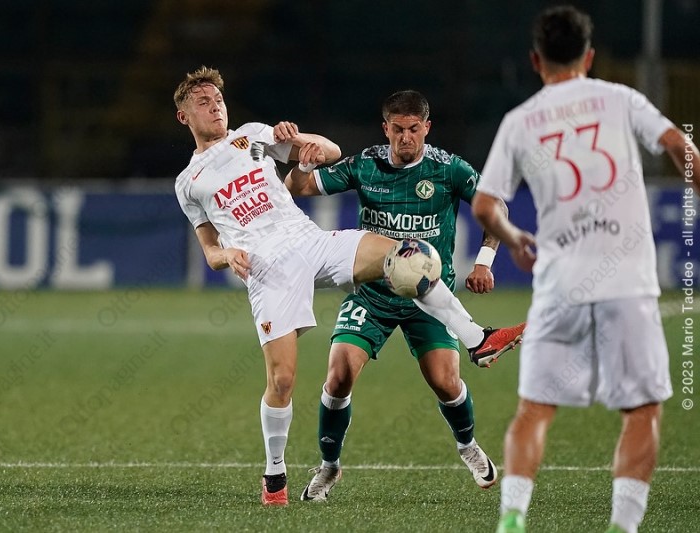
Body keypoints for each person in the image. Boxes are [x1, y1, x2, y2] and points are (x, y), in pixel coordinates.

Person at [173, 66, 525, 506]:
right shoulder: (188, 184)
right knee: (283, 380)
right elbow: (210, 250)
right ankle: (275, 473)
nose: (216, 107)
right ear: (184, 116)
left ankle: (478, 340)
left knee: (410, 255)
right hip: (267, 267)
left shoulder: (253, 136)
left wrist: (303, 144)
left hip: (309, 241)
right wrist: (227, 256)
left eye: (219, 99)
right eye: (203, 102)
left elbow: (330, 150)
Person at [471, 6, 700, 533]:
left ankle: (513, 517)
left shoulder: (520, 120)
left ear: (536, 61)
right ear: (590, 57)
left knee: (534, 409)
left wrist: (515, 240)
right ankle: (622, 526)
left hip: (560, 283)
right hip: (627, 281)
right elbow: (678, 147)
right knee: (641, 409)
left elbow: (485, 204)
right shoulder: (621, 99)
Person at [285, 89, 524, 502]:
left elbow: (495, 207)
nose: (406, 137)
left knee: (446, 382)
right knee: (338, 377)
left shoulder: (448, 169)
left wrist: (484, 261)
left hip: (429, 298)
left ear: (427, 127)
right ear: (386, 128)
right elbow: (299, 187)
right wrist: (303, 165)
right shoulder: (366, 164)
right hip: (371, 295)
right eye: (398, 129)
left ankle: (467, 445)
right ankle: (329, 466)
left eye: (414, 129)